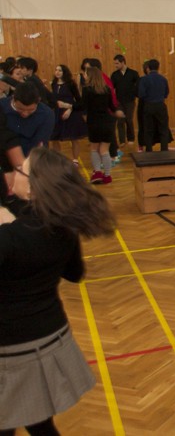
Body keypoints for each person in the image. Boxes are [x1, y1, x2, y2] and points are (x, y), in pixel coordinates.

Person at [0, 147, 116, 436]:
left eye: (21, 170)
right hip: (51, 337)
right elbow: (74, 273)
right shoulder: (63, 226)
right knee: (39, 422)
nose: (14, 173)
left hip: (13, 350)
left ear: (35, 188)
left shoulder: (10, 238)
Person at [83, 67, 124, 184]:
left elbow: (83, 106)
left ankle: (97, 172)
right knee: (104, 150)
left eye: (85, 74)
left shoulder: (87, 90)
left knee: (94, 148)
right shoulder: (106, 89)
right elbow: (112, 106)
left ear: (90, 76)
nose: (84, 76)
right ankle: (107, 175)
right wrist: (118, 111)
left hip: (94, 122)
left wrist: (70, 107)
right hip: (107, 122)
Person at [0, 81, 55, 156]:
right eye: (20, 109)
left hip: (31, 157)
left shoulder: (46, 114)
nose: (25, 114)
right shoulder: (2, 107)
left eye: (30, 110)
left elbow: (39, 145)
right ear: (13, 98)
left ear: (38, 100)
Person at [50, 64, 87, 166]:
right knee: (54, 138)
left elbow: (79, 101)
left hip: (70, 113)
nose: (57, 72)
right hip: (57, 113)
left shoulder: (70, 84)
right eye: (56, 70)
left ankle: (75, 160)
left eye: (60, 70)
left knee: (73, 137)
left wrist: (70, 108)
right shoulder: (53, 84)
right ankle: (58, 159)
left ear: (64, 72)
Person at [138, 59, 170, 152]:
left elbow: (141, 94)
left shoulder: (144, 79)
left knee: (148, 129)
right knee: (163, 129)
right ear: (158, 67)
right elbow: (166, 93)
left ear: (148, 68)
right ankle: (164, 150)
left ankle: (149, 150)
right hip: (160, 105)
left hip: (148, 105)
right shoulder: (163, 79)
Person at [110, 54, 139, 147]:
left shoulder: (133, 73)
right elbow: (111, 88)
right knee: (120, 120)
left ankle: (131, 138)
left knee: (129, 119)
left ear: (123, 62)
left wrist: (135, 94)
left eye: (117, 63)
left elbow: (138, 86)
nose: (116, 65)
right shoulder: (114, 75)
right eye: (115, 63)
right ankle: (122, 140)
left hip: (130, 100)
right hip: (119, 101)